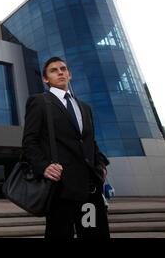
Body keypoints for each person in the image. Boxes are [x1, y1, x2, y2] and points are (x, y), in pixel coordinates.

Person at [22, 57, 110, 239]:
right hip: (61, 189)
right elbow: (30, 141)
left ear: (69, 74)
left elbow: (89, 141)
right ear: (46, 79)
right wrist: (43, 166)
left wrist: (101, 164)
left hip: (90, 189)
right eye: (54, 70)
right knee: (61, 235)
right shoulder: (39, 102)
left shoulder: (84, 107)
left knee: (94, 233)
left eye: (63, 69)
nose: (60, 72)